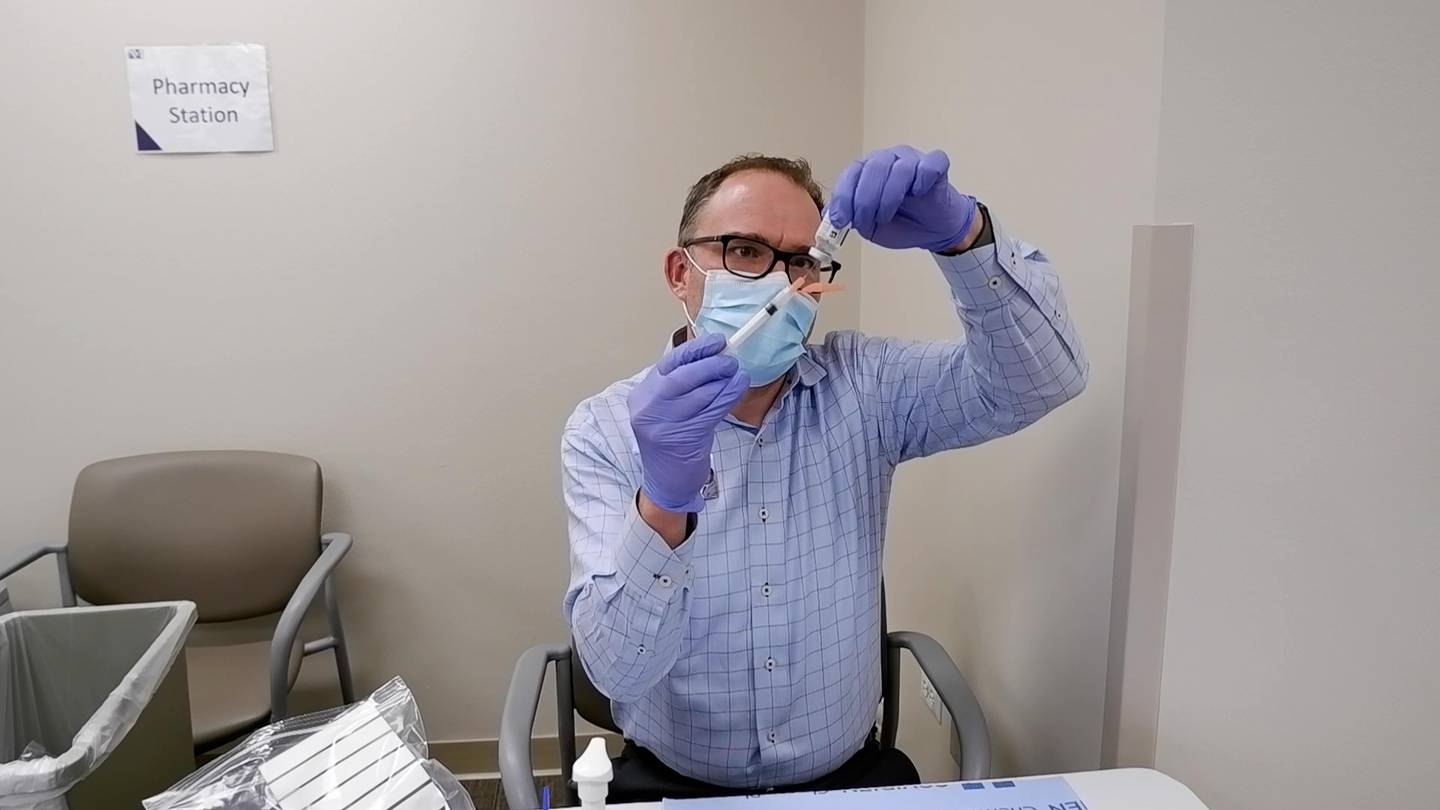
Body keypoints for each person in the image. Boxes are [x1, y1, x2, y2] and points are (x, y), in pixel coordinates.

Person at [561, 146, 1088, 801]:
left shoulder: (866, 386)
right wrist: (663, 505)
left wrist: (966, 238)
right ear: (680, 272)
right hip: (674, 781)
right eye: (745, 251)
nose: (779, 284)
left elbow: (1042, 381)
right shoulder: (605, 430)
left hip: (847, 780)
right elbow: (617, 673)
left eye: (801, 261)